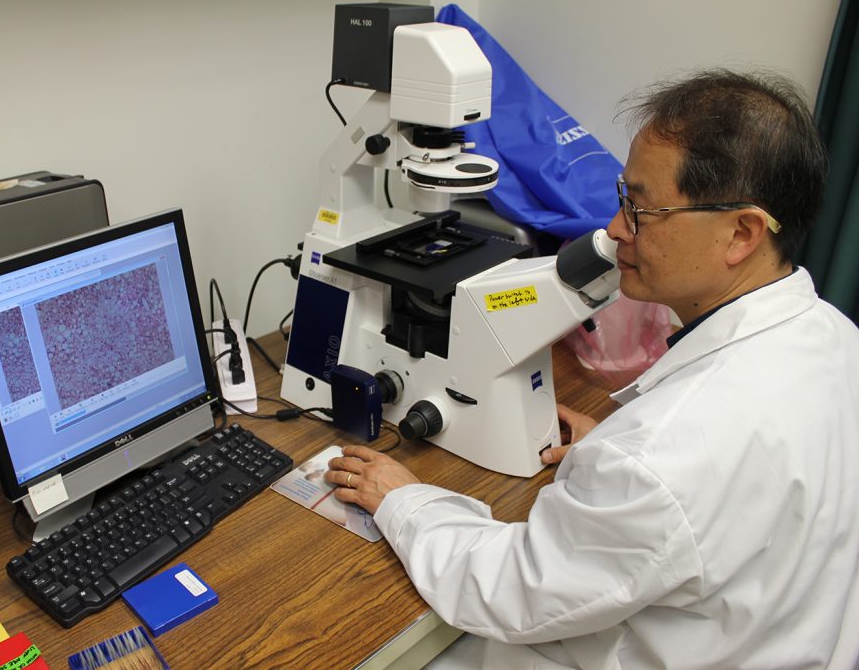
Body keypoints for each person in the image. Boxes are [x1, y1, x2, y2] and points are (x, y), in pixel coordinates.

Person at [324, 69, 859, 669]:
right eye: (621, 198)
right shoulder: (838, 341)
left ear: (741, 233)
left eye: (640, 210)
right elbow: (734, 495)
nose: (612, 230)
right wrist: (617, 455)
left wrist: (404, 499)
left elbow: (511, 590)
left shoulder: (661, 459)